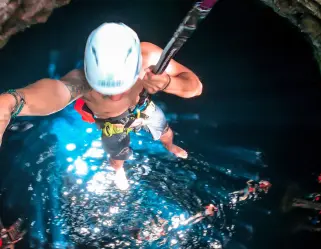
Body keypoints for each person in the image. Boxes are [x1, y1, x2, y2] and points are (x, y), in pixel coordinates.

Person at [0, 23, 202, 190]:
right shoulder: (81, 81)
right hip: (111, 122)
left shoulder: (147, 57)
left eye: (122, 88)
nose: (115, 97)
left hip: (143, 106)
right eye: (105, 91)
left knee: (165, 131)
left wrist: (168, 82)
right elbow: (56, 91)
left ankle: (169, 145)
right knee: (117, 154)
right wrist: (12, 102)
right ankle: (118, 169)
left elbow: (195, 86)